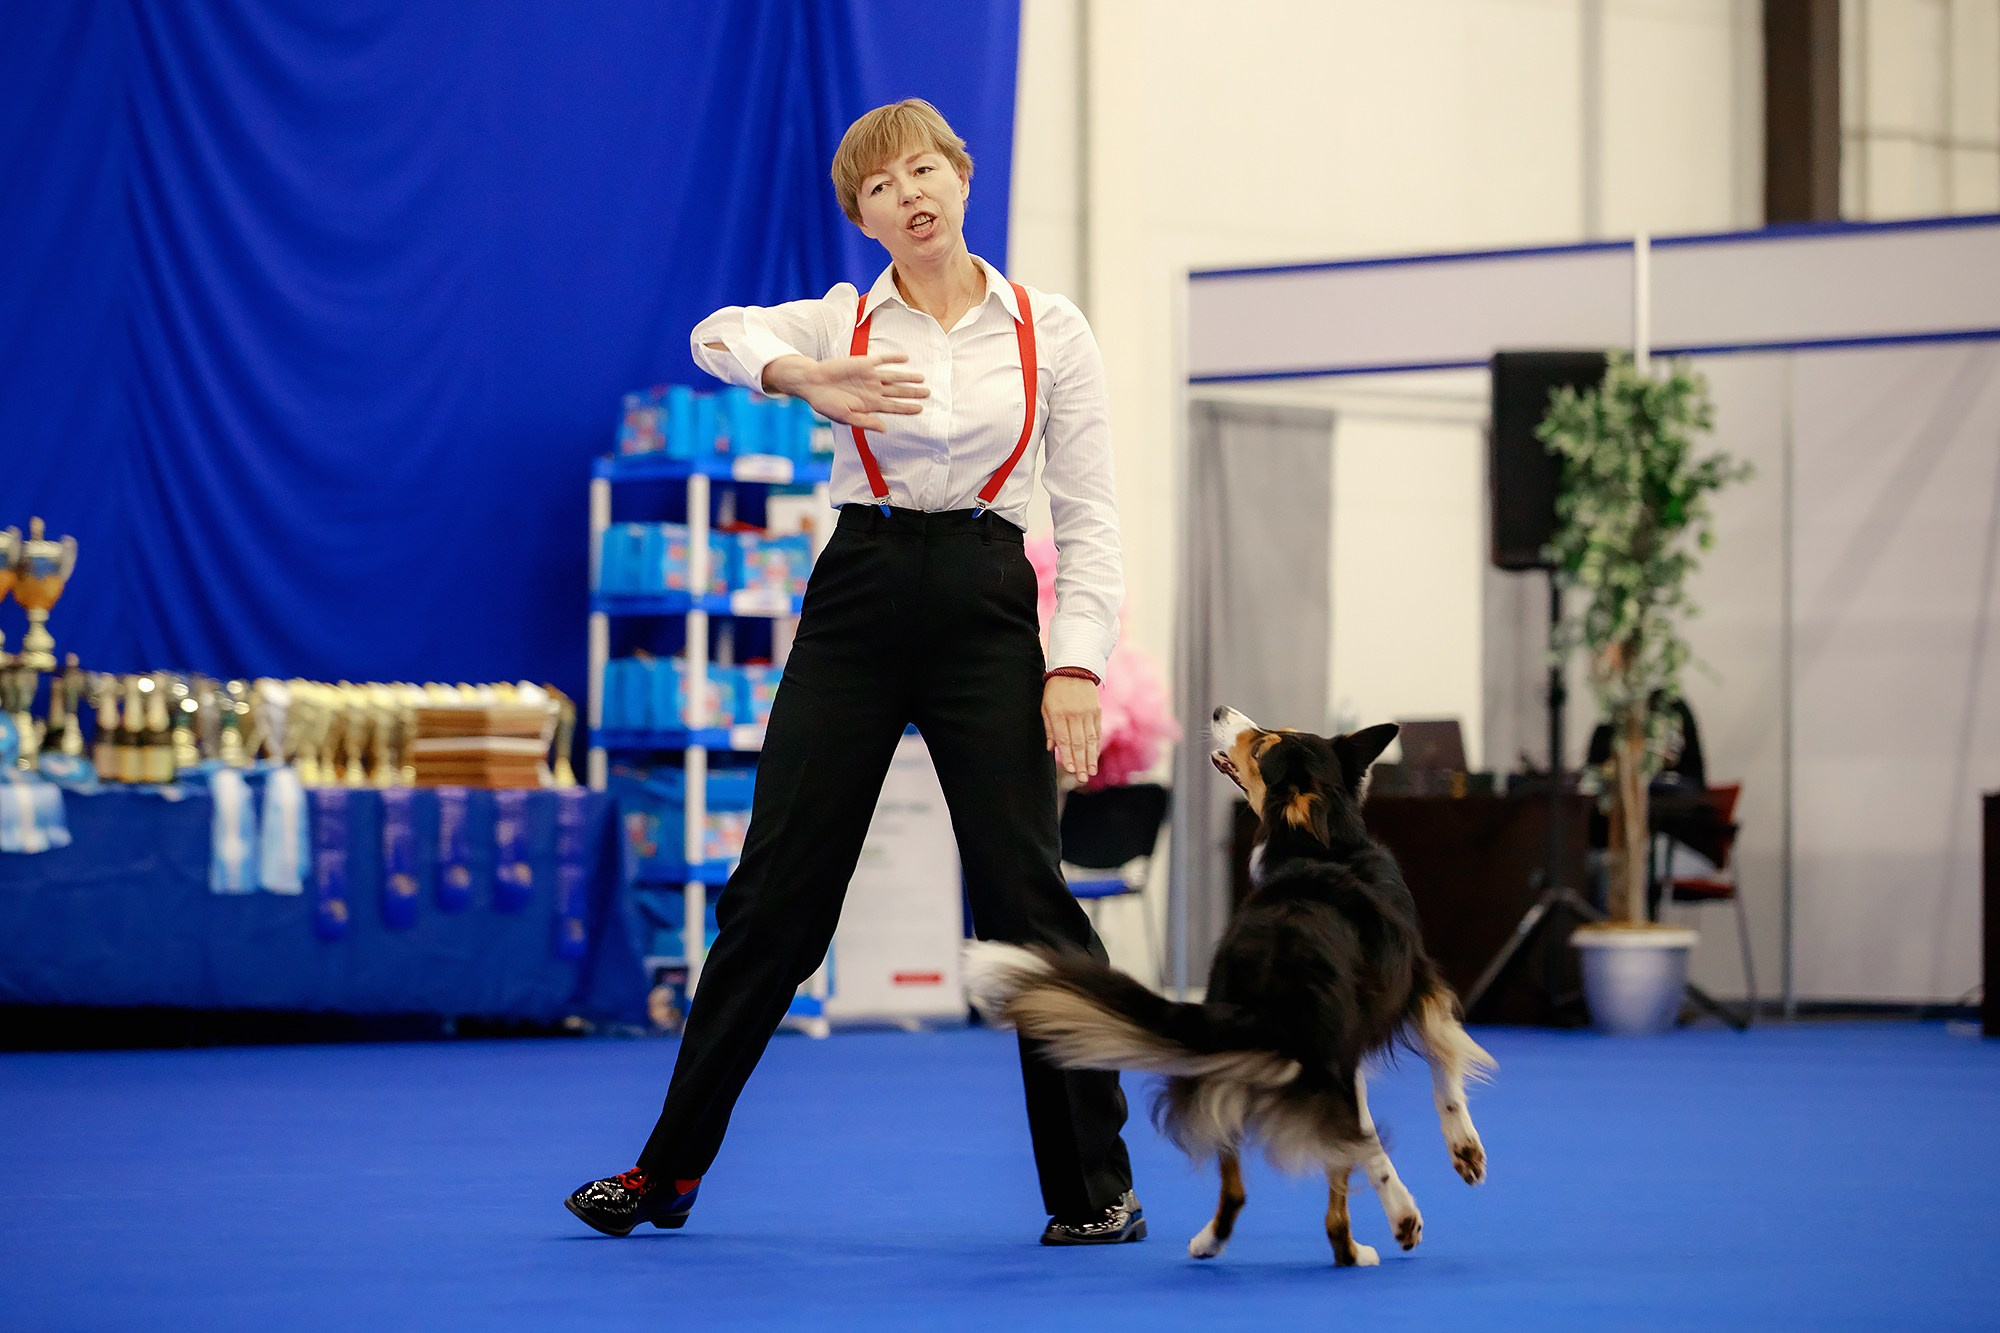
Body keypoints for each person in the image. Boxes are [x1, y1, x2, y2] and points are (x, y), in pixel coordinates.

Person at [565, 99, 1143, 1246]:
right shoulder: (838, 320)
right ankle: (665, 1172)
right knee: (774, 893)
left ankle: (1096, 1190)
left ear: (962, 176)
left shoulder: (1048, 327)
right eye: (880, 187)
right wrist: (802, 380)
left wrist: (1073, 663)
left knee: (1031, 902)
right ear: (863, 216)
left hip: (988, 601)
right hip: (860, 589)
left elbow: (1088, 518)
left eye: (924, 168)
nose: (909, 194)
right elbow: (715, 333)